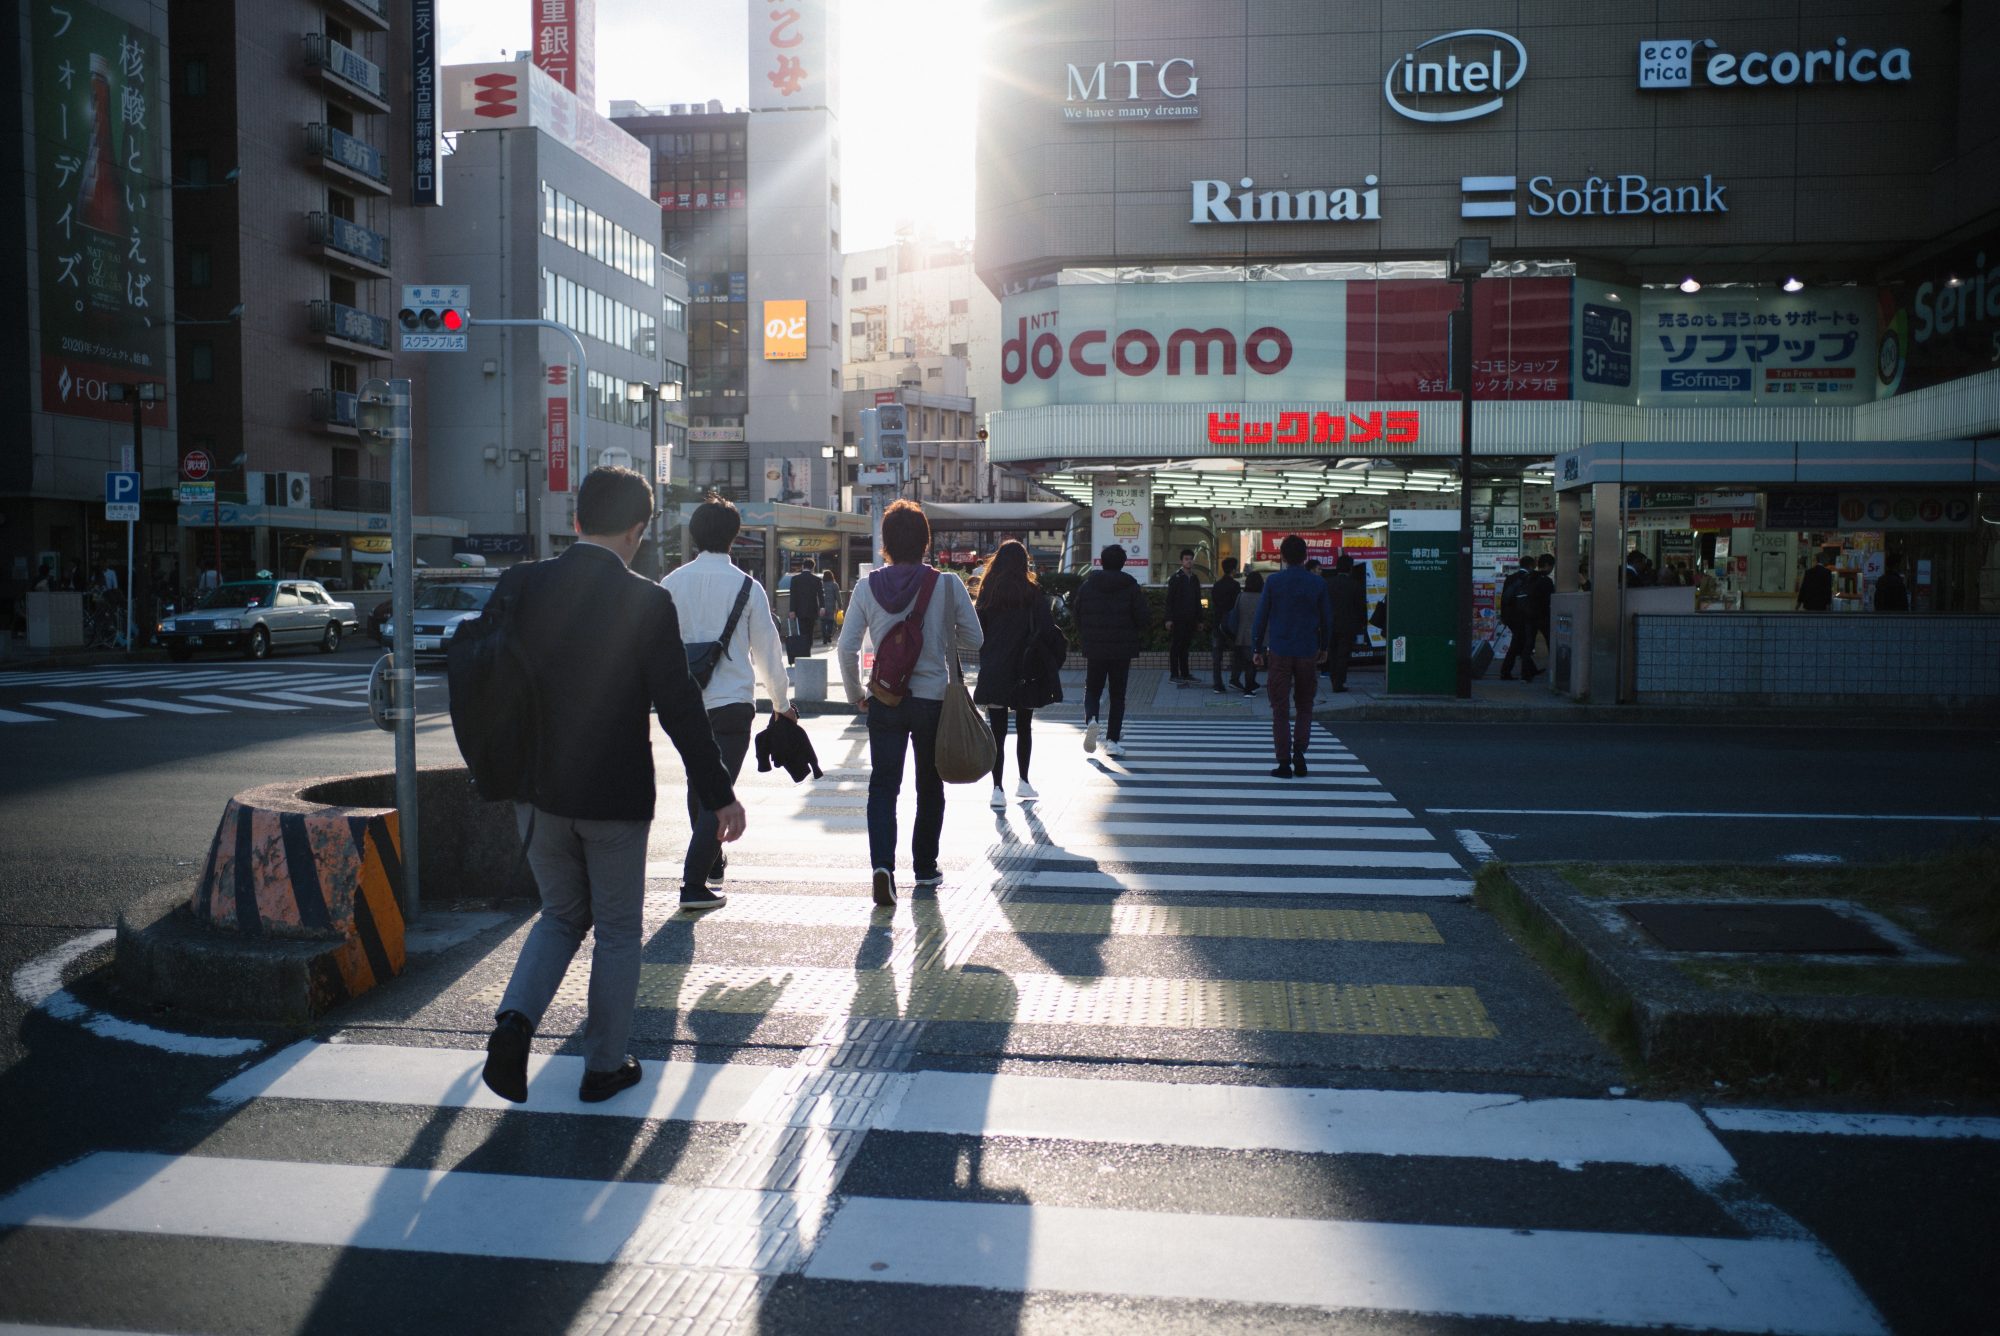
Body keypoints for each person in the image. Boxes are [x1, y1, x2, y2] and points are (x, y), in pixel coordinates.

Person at [482, 467, 746, 1107]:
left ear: (575, 520)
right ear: (639, 530)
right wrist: (719, 795)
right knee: (619, 931)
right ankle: (604, 1066)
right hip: (614, 796)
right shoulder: (647, 601)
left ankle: (514, 1025)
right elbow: (681, 709)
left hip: (536, 791)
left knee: (561, 915)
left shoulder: (519, 585)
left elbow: (483, 680)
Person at [838, 500, 983, 908]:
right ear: (925, 540)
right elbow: (976, 640)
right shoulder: (947, 584)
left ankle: (882, 868)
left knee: (883, 785)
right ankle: (925, 866)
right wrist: (942, 632)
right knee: (929, 784)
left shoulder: (867, 587)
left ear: (885, 542)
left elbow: (846, 648)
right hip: (933, 700)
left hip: (885, 699)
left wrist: (857, 696)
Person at [663, 498, 795, 911]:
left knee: (697, 784)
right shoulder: (747, 587)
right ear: (734, 536)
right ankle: (693, 884)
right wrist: (781, 702)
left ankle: (712, 862)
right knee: (715, 793)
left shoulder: (671, 584)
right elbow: (767, 651)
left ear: (694, 536)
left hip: (684, 704)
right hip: (732, 705)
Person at [973, 539, 1063, 809]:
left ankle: (997, 788)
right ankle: (1023, 781)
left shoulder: (988, 591)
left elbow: (977, 633)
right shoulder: (1032, 592)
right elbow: (1047, 630)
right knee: (1024, 726)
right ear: (1024, 562)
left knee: (996, 730)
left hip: (995, 668)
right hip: (1026, 668)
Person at [1251, 534, 1332, 779]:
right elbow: (1327, 619)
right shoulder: (1317, 583)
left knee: (1280, 708)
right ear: (1305, 556)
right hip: (1308, 650)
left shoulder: (1274, 582)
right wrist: (1324, 646)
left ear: (1282, 556)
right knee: (1305, 705)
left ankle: (1284, 761)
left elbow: (1261, 616)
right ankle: (1300, 751)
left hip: (1280, 651)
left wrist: (1256, 647)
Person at [1071, 543, 1149, 757]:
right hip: (1122, 649)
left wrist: (1087, 634)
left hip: (1095, 647)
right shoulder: (1131, 586)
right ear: (1123, 563)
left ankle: (1092, 720)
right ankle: (1112, 741)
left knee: (1093, 689)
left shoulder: (1087, 586)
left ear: (1101, 562)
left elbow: (1077, 615)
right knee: (1117, 695)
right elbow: (1142, 618)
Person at [1326, 554, 1368, 693]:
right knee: (1343, 654)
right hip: (1349, 624)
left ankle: (1334, 680)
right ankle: (1339, 682)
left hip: (1330, 624)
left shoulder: (1328, 583)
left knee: (1332, 653)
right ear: (1350, 568)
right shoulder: (1355, 585)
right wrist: (1363, 623)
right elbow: (1361, 607)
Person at [1164, 548, 1202, 683]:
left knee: (1185, 646)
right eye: (1186, 559)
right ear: (1181, 561)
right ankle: (1174, 674)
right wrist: (1168, 619)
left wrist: (1199, 620)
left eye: (1191, 559)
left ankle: (1185, 673)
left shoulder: (1195, 579)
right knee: (1176, 646)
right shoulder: (1176, 578)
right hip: (1178, 618)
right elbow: (1169, 600)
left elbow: (1198, 600)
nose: (1189, 561)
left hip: (1190, 618)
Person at [1498, 556, 1539, 682]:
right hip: (1523, 616)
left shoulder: (1510, 578)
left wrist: (1504, 616)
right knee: (1519, 644)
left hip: (1511, 617)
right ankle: (1507, 671)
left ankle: (1531, 669)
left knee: (1519, 643)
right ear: (1531, 566)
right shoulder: (1531, 579)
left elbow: (1504, 599)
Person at [1208, 557, 1242, 694]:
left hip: (1217, 623)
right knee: (1237, 653)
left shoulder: (1217, 585)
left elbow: (1214, 603)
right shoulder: (1235, 586)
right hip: (1231, 625)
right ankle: (1234, 679)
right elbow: (1237, 605)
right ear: (1233, 569)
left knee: (1217, 656)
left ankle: (1218, 683)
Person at [1232, 569, 1264, 696]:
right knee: (1253, 662)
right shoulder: (1262, 598)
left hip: (1242, 633)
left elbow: (1235, 614)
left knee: (1247, 662)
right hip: (1257, 634)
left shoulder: (1241, 596)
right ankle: (1249, 688)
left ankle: (1249, 685)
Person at [785, 558, 822, 666]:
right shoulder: (816, 579)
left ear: (803, 566)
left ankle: (802, 653)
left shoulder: (795, 579)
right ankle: (807, 652)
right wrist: (822, 607)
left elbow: (793, 596)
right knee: (810, 632)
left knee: (801, 632)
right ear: (813, 567)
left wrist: (792, 610)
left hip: (799, 610)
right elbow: (820, 594)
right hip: (812, 610)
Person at [1530, 554, 1557, 658]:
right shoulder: (1546, 580)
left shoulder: (1530, 576)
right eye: (1552, 567)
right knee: (1550, 640)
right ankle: (1554, 663)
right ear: (1547, 565)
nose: (1551, 569)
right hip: (1543, 615)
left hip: (1529, 614)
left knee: (1529, 642)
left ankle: (1526, 668)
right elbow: (1550, 598)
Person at [819, 568, 840, 643]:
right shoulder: (834, 585)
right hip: (831, 606)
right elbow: (838, 596)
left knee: (823, 622)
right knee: (830, 621)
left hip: (822, 606)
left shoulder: (821, 584)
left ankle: (824, 637)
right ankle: (829, 635)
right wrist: (840, 605)